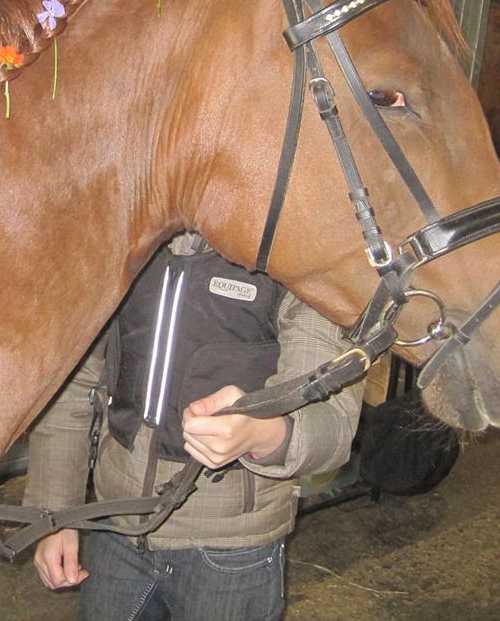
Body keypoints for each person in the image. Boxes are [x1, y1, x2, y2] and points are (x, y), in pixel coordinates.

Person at [24, 232, 363, 621]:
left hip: (229, 553)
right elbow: (73, 383)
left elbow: (333, 423)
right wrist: (53, 515)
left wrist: (266, 433)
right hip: (114, 529)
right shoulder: (126, 242)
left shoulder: (299, 262)